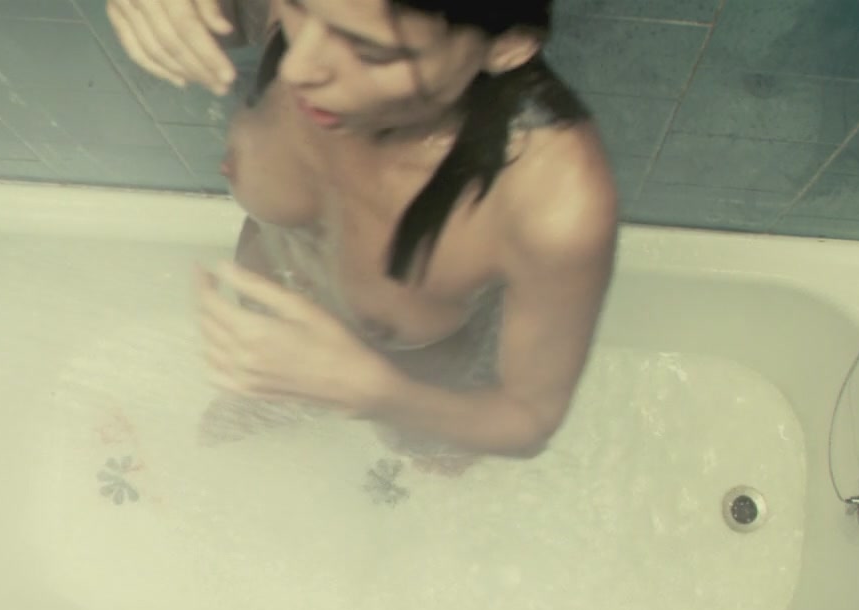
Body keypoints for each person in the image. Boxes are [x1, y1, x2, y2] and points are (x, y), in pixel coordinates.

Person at [105, 0, 618, 475]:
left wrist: (378, 395)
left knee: (429, 460)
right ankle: (275, 402)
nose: (299, 68)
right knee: (252, 421)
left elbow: (528, 421)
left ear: (507, 46)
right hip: (271, 336)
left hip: (410, 371)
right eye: (299, 7)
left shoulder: (549, 200)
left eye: (370, 51)